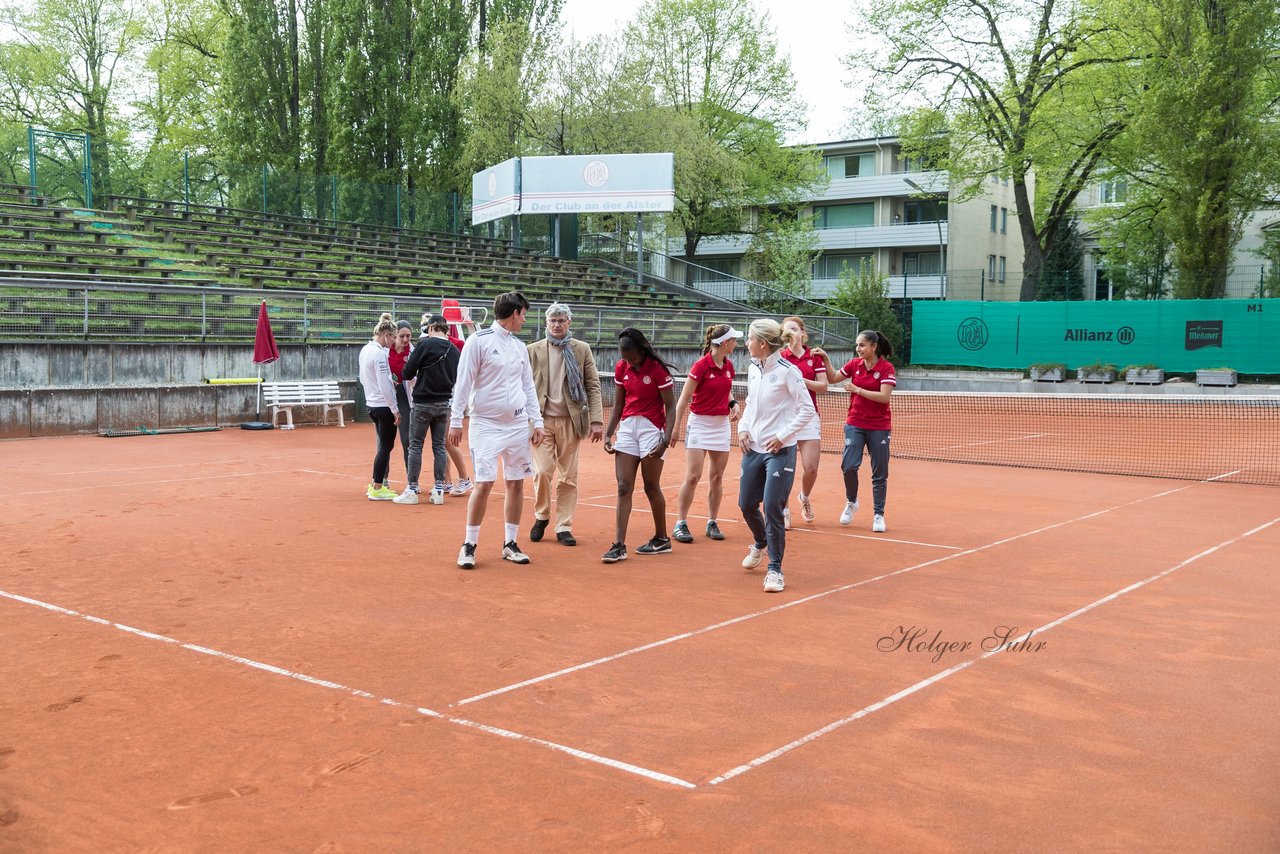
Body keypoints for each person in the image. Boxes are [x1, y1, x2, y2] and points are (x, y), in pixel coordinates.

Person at [448, 291, 545, 569]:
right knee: (484, 484)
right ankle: (469, 545)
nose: (525, 320)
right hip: (485, 425)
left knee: (516, 483)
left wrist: (536, 422)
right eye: (523, 314)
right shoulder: (477, 342)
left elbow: (528, 387)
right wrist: (456, 421)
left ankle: (510, 543)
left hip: (516, 425)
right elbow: (463, 382)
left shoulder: (518, 347)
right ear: (514, 313)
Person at [736, 318, 817, 593]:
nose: (746, 343)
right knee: (746, 504)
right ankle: (760, 543)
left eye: (749, 338)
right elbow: (750, 404)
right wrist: (743, 429)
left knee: (772, 507)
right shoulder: (752, 369)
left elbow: (807, 410)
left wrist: (783, 436)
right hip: (753, 448)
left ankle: (775, 570)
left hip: (780, 450)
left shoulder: (788, 371)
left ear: (762, 343)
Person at [526, 303, 604, 547]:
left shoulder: (581, 349)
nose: (557, 324)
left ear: (569, 323)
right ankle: (542, 515)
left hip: (572, 421)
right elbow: (523, 386)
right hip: (541, 421)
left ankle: (564, 526)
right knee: (542, 471)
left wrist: (597, 419)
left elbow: (592, 384)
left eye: (561, 320)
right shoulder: (532, 350)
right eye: (553, 320)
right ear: (546, 323)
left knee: (568, 477)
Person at [600, 328, 677, 563]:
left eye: (632, 357)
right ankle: (619, 545)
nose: (629, 361)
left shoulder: (657, 370)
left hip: (652, 429)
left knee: (651, 486)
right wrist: (608, 433)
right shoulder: (622, 367)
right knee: (624, 486)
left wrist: (665, 440)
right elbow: (619, 404)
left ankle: (662, 538)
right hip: (628, 428)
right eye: (625, 357)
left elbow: (671, 407)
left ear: (641, 350)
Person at [813, 330, 896, 533]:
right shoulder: (854, 365)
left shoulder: (886, 368)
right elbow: (832, 378)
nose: (858, 349)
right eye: (857, 345)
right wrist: (825, 358)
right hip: (855, 423)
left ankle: (878, 514)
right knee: (849, 466)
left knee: (879, 473)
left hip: (879, 426)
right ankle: (852, 502)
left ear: (873, 347)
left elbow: (884, 397)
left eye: (862, 345)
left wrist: (857, 390)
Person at [669, 323, 743, 544]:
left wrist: (733, 403)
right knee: (693, 476)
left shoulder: (728, 365)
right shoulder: (701, 366)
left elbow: (726, 387)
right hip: (699, 423)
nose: (737, 344)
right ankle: (680, 523)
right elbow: (683, 399)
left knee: (717, 477)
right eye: (734, 340)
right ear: (725, 343)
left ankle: (712, 521)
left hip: (721, 425)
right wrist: (674, 428)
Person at [396, 314, 460, 506]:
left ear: (431, 328)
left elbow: (407, 373)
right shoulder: (454, 349)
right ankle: (439, 489)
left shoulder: (424, 345)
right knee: (439, 446)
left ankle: (412, 488)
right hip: (444, 403)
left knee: (415, 445)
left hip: (423, 402)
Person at [779, 316, 828, 530]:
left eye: (793, 328)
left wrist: (799, 379)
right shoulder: (780, 357)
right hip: (785, 417)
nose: (789, 331)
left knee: (811, 468)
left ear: (802, 333)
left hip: (809, 416)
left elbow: (823, 386)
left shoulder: (814, 357)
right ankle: (784, 509)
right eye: (785, 329)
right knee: (784, 468)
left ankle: (804, 497)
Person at [421, 312, 472, 496]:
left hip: (448, 398)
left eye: (427, 325)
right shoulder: (426, 341)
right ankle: (447, 480)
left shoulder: (455, 345)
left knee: (447, 442)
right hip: (437, 398)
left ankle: (465, 479)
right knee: (440, 443)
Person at [357, 312, 400, 501]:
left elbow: (363, 378)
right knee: (386, 447)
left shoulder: (366, 350)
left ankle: (375, 483)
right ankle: (377, 486)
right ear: (387, 335)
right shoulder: (379, 355)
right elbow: (384, 383)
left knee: (383, 446)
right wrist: (395, 409)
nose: (394, 342)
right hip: (383, 406)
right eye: (394, 337)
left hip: (372, 404)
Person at [388, 321, 415, 480]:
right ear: (395, 336)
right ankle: (382, 480)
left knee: (407, 439)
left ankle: (411, 479)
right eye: (402, 336)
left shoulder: (413, 351)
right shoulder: (385, 350)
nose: (405, 340)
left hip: (404, 395)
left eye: (408, 336)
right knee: (385, 441)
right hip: (387, 394)